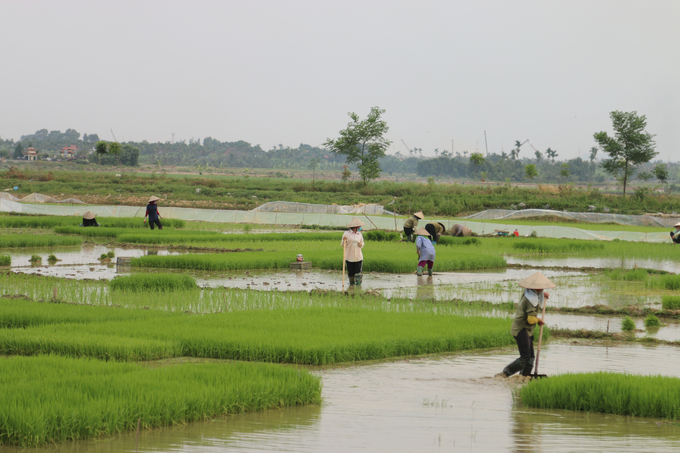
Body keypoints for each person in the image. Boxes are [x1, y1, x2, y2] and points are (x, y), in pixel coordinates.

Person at [501, 272, 555, 378]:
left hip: (527, 330)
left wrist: (543, 294)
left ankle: (525, 376)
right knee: (525, 357)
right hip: (520, 329)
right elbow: (530, 319)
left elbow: (538, 293)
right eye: (541, 288)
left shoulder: (530, 293)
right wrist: (539, 320)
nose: (542, 289)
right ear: (535, 288)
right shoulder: (531, 300)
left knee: (531, 357)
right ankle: (505, 373)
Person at [342, 218, 365, 286]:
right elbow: (343, 245)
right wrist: (344, 240)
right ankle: (351, 286)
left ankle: (358, 286)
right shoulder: (346, 234)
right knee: (351, 273)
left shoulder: (359, 234)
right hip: (349, 256)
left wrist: (361, 244)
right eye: (359, 226)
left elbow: (362, 243)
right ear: (355, 226)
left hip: (358, 256)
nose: (359, 227)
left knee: (358, 273)